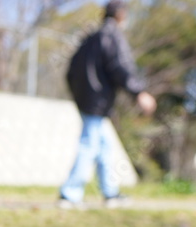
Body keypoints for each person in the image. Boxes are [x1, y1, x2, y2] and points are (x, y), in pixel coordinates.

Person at [59, 0, 156, 209]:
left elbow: (70, 71)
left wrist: (79, 94)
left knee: (104, 146)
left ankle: (110, 193)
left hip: (88, 100)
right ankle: (70, 194)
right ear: (121, 15)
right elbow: (120, 66)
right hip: (97, 101)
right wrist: (138, 92)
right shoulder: (112, 36)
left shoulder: (91, 37)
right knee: (90, 145)